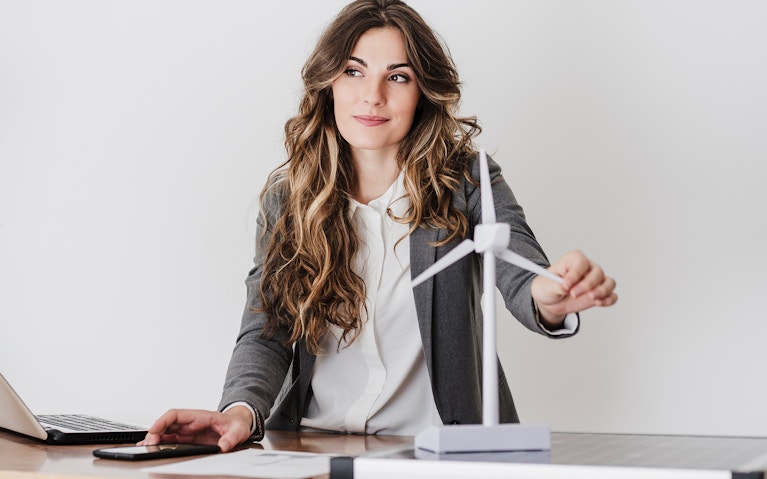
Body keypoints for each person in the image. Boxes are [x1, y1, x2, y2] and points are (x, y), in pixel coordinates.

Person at [140, 0, 617, 453]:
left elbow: (521, 273)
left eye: (398, 76)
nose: (373, 95)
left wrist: (550, 295)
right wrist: (240, 411)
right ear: (328, 82)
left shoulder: (467, 178)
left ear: (422, 91)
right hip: (309, 449)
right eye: (353, 71)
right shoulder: (289, 199)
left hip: (437, 452)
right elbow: (267, 329)